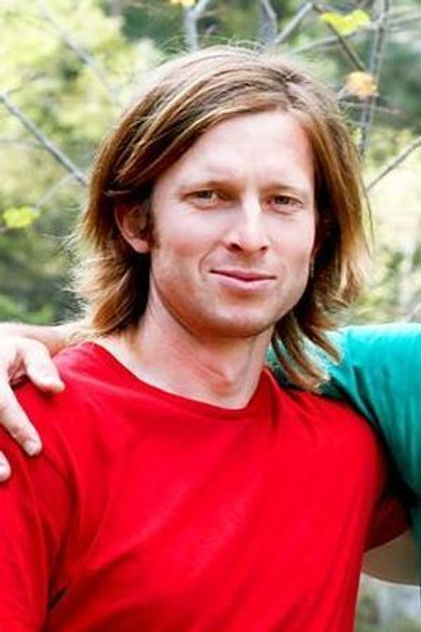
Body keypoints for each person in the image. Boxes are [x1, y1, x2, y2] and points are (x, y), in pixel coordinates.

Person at [0, 46, 414, 631]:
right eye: (209, 195)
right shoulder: (29, 430)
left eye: (283, 202)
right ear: (136, 220)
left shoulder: (348, 451)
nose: (250, 236)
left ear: (318, 234)